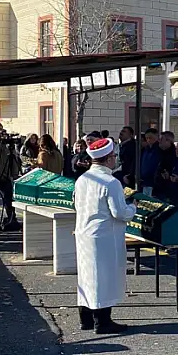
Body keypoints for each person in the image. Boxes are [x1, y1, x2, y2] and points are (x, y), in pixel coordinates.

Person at [74, 138, 136, 335]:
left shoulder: (83, 179)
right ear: (108, 159)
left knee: (86, 277)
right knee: (103, 278)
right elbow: (119, 212)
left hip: (84, 233)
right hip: (104, 236)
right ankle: (102, 321)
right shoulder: (111, 182)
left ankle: (86, 318)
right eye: (114, 157)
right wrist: (133, 207)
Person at [152, 131, 177, 198]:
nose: (159, 141)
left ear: (168, 141)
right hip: (157, 187)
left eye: (161, 139)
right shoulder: (158, 152)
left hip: (167, 190)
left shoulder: (174, 155)